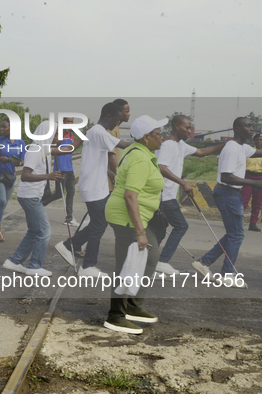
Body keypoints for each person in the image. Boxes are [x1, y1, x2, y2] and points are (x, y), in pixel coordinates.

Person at [103, 115, 166, 334]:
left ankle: (133, 306)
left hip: (133, 215)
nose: (162, 138)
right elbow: (130, 196)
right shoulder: (139, 158)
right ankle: (116, 317)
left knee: (152, 255)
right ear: (147, 137)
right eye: (159, 134)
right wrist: (140, 232)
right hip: (127, 217)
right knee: (126, 265)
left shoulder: (138, 152)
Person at [55, 102, 131, 278]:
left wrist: (111, 173)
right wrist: (144, 143)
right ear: (108, 117)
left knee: (100, 223)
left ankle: (70, 246)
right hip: (94, 186)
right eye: (117, 121)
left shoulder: (93, 131)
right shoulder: (99, 132)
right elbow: (123, 144)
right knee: (99, 224)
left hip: (95, 184)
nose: (117, 124)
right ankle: (87, 265)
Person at [192, 117, 262, 288]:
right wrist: (254, 183)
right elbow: (226, 176)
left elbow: (259, 152)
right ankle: (227, 274)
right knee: (237, 235)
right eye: (248, 126)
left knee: (233, 234)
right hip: (228, 194)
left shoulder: (242, 147)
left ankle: (204, 262)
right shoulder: (231, 148)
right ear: (237, 129)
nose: (252, 129)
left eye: (252, 126)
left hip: (231, 194)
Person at [154, 115, 225, 275]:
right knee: (181, 226)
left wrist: (224, 145)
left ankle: (150, 265)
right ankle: (162, 262)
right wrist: (183, 182)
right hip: (164, 195)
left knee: (159, 230)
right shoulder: (169, 146)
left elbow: (200, 151)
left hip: (167, 195)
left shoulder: (180, 145)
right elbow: (161, 167)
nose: (189, 131)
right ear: (177, 126)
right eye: (187, 127)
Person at [3, 121, 63, 276]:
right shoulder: (36, 151)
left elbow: (66, 150)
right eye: (55, 134)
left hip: (31, 196)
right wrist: (48, 176)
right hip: (29, 197)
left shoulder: (44, 149)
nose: (58, 137)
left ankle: (14, 261)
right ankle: (35, 266)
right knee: (44, 231)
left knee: (34, 231)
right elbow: (25, 176)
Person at [0, 119, 25, 242]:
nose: (1, 129)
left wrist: (18, 162)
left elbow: (22, 160)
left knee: (3, 204)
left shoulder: (20, 142)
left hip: (10, 176)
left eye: (4, 127)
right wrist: (0, 158)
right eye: (1, 127)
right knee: (2, 201)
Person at [54, 116, 78, 226]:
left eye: (72, 122)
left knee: (71, 193)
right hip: (60, 168)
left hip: (69, 168)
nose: (70, 123)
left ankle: (69, 218)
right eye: (68, 121)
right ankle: (38, 206)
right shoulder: (59, 132)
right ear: (63, 122)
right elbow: (54, 145)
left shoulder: (72, 134)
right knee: (59, 194)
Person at [107, 99, 131, 191]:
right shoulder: (111, 130)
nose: (129, 114)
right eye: (127, 111)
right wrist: (120, 179)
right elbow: (112, 157)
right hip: (110, 183)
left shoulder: (115, 128)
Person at [241, 133, 262, 231]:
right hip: (248, 177)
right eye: (257, 139)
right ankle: (238, 222)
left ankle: (253, 224)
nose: (259, 141)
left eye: (261, 140)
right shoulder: (249, 151)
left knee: (257, 202)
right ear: (254, 141)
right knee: (244, 200)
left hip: (260, 178)